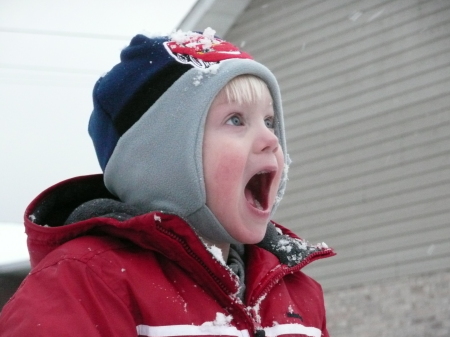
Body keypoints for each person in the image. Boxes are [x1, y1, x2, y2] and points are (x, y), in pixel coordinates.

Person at [0, 28, 335, 337]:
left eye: (269, 121)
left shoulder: (297, 294)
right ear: (162, 157)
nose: (270, 140)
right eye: (236, 120)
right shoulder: (83, 285)